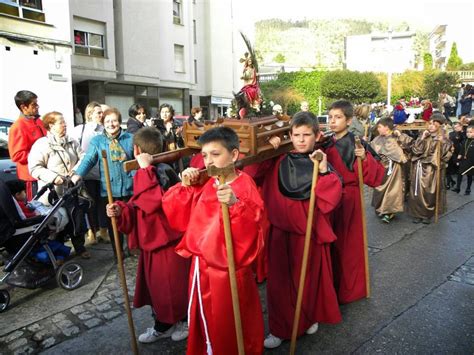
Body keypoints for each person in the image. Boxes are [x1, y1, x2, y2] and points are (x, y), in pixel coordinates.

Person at [162, 127, 265, 355]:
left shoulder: (245, 185)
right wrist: (186, 186)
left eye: (216, 154)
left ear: (234, 155)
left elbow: (254, 231)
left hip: (227, 273)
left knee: (228, 326)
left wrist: (236, 205)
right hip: (200, 268)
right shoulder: (207, 181)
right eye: (205, 155)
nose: (209, 161)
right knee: (203, 321)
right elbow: (177, 215)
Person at [244, 112, 343, 349]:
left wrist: (324, 170)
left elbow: (331, 197)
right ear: (290, 135)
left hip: (307, 234)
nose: (300, 140)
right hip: (279, 232)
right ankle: (280, 328)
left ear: (316, 136)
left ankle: (306, 318)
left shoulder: (320, 160)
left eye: (306, 135)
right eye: (296, 135)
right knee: (278, 285)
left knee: (307, 282)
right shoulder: (277, 158)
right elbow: (251, 176)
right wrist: (266, 150)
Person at [106, 127, 190, 344]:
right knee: (158, 291)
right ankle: (164, 323)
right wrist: (119, 210)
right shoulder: (149, 172)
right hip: (153, 244)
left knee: (172, 288)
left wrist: (144, 171)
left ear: (135, 149)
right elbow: (138, 206)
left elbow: (152, 203)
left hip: (169, 243)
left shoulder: (160, 171)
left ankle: (181, 321)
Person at [320, 99, 385, 303]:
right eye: (330, 117)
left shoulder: (357, 144)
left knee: (348, 247)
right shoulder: (326, 142)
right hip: (328, 199)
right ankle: (331, 288)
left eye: (338, 117)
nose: (332, 121)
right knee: (331, 245)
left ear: (348, 121)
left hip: (349, 199)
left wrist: (364, 158)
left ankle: (349, 290)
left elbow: (375, 176)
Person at [72, 107, 134, 259]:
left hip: (129, 188)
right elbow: (89, 159)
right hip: (109, 190)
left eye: (114, 121)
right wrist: (77, 174)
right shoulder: (98, 141)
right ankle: (118, 252)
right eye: (107, 121)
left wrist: (135, 177)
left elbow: (136, 161)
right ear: (103, 123)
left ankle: (133, 248)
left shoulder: (130, 139)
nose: (111, 124)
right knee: (114, 224)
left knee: (131, 222)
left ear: (119, 122)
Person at [28, 111, 88, 258]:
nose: (65, 125)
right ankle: (60, 254)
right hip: (52, 194)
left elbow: (83, 158)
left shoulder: (72, 141)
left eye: (64, 122)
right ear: (51, 126)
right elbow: (35, 168)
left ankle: (80, 248)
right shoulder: (42, 144)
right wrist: (54, 177)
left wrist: (75, 172)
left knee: (77, 219)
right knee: (58, 224)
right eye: (61, 122)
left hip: (73, 189)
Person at [70, 102, 109, 245]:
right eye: (98, 112)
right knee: (89, 204)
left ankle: (103, 231)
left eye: (102, 113)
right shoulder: (79, 130)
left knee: (103, 203)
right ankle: (91, 231)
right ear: (90, 114)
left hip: (103, 173)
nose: (101, 115)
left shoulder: (105, 129)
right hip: (88, 174)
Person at [407, 113, 452, 224]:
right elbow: (416, 151)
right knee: (416, 192)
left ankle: (427, 214)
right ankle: (417, 213)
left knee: (429, 192)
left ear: (439, 126)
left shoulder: (443, 139)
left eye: (434, 124)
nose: (430, 126)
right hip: (419, 168)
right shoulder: (423, 136)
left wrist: (442, 143)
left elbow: (445, 155)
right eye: (429, 124)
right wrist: (422, 138)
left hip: (431, 170)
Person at [370, 118, 413, 223]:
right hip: (381, 168)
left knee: (392, 190)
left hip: (394, 169)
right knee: (380, 188)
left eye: (380, 127)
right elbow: (371, 150)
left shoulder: (397, 137)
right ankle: (381, 208)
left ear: (387, 127)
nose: (378, 129)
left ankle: (389, 212)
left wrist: (400, 136)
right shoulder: (377, 139)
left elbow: (410, 145)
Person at [8, 90, 47, 200]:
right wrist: (41, 155)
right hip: (31, 177)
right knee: (36, 207)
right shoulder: (17, 127)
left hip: (45, 174)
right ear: (23, 107)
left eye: (37, 103)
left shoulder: (39, 121)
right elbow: (17, 155)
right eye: (34, 104)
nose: (37, 106)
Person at [453, 125, 474, 195]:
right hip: (463, 160)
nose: (468, 133)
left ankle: (468, 189)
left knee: (469, 175)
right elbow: (462, 150)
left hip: (471, 162)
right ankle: (457, 188)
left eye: (471, 132)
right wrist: (458, 158)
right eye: (467, 132)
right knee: (460, 174)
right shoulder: (466, 140)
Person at [446, 121, 465, 190]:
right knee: (448, 169)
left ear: (461, 126)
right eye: (454, 127)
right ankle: (448, 183)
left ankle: (457, 185)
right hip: (451, 153)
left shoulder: (463, 134)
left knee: (459, 169)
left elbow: (464, 143)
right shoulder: (451, 133)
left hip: (459, 153)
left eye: (457, 127)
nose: (456, 128)